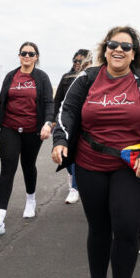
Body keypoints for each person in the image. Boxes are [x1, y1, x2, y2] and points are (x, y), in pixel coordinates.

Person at [51, 26, 140, 278]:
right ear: (105, 48)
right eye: (114, 44)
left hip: (131, 165)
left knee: (126, 229)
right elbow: (67, 111)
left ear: (134, 52)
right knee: (98, 228)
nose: (119, 50)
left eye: (126, 47)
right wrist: (60, 139)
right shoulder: (87, 78)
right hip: (90, 163)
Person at [0, 41, 55, 237]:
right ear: (19, 55)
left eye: (31, 53)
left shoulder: (41, 78)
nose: (27, 56)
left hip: (33, 130)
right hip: (10, 128)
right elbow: (1, 103)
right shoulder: (11, 76)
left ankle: (30, 198)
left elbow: (49, 102)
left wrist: (48, 123)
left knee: (28, 165)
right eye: (24, 53)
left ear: (36, 57)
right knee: (7, 169)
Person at [53, 49, 92, 205]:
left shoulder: (92, 77)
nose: (77, 64)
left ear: (89, 62)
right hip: (67, 121)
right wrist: (53, 120)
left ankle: (75, 188)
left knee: (77, 155)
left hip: (84, 123)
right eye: (75, 60)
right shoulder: (66, 78)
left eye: (80, 61)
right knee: (66, 157)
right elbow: (58, 101)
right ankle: (71, 177)